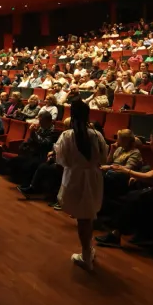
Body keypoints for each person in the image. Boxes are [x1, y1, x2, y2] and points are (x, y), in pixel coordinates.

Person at [96, 128, 153, 248]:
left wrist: (127, 171)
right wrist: (138, 177)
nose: (149, 143)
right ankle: (129, 233)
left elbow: (151, 176)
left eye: (150, 141)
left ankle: (116, 234)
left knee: (134, 199)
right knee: (135, 196)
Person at [53, 101, 108, 270]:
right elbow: (104, 158)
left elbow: (62, 160)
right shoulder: (96, 135)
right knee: (87, 216)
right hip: (92, 177)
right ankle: (87, 251)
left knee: (82, 219)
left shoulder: (67, 135)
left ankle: (86, 255)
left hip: (75, 176)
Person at [14, 111, 60, 193]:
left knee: (32, 164)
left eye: (41, 121)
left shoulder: (54, 131)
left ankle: (29, 187)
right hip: (35, 152)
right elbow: (32, 140)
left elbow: (43, 143)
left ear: (47, 121)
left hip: (44, 155)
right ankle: (20, 181)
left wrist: (33, 132)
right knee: (17, 160)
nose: (39, 123)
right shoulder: (40, 128)